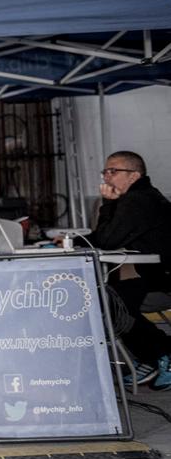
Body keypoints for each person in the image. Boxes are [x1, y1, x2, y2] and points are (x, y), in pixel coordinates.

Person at [87, 151, 171, 387]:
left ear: (134, 175)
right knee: (108, 297)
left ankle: (161, 353)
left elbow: (108, 239)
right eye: (105, 171)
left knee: (108, 303)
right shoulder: (138, 197)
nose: (107, 177)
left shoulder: (138, 200)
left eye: (114, 171)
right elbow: (103, 237)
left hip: (160, 279)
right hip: (151, 274)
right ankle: (153, 357)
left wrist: (107, 204)